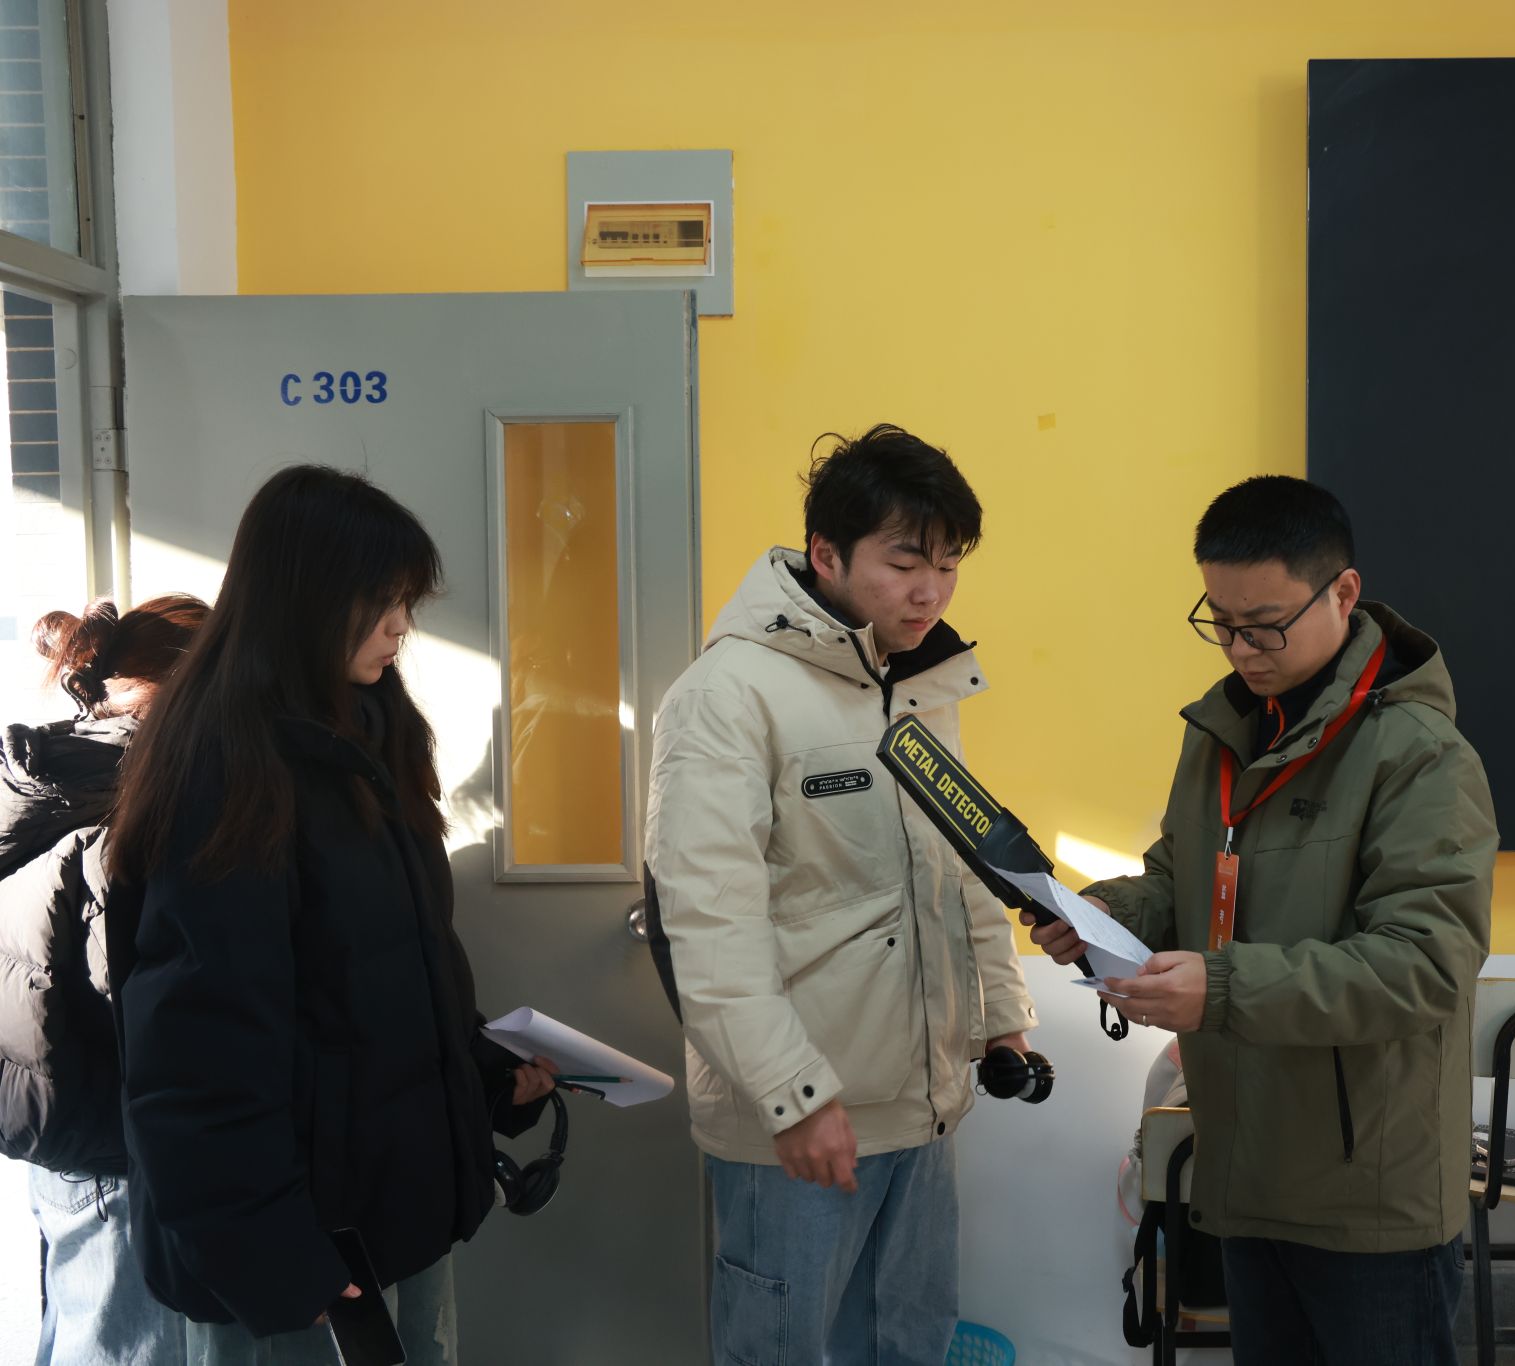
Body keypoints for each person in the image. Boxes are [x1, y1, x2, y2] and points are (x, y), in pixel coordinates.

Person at [1034, 475, 1497, 1364]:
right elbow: (1183, 875)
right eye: (1221, 622)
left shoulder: (1419, 754)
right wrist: (1105, 913)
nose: (1242, 649)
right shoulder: (1224, 732)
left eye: (1266, 624)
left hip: (1369, 1197)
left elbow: (1426, 964)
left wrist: (1221, 987)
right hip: (1245, 1170)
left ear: (1344, 593)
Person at [105, 465, 556, 1363]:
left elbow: (388, 973)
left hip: (390, 1214)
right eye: (380, 601)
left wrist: (480, 1074)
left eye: (406, 601)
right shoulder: (228, 773)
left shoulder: (369, 739)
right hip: (295, 1259)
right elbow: (194, 1057)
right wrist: (274, 1256)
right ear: (304, 601)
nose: (401, 626)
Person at [646, 423, 1039, 1364]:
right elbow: (707, 922)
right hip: (800, 1125)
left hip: (923, 1107)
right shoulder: (727, 694)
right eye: (904, 562)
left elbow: (962, 864)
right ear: (826, 554)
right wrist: (794, 1096)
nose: (930, 590)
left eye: (948, 564)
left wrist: (1001, 1018)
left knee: (909, 1345)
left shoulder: (921, 682)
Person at [0, 594, 208, 1364]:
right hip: (118, 1145)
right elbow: (144, 1000)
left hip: (63, 1123)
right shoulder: (141, 801)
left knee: (81, 1334)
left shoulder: (61, 771)